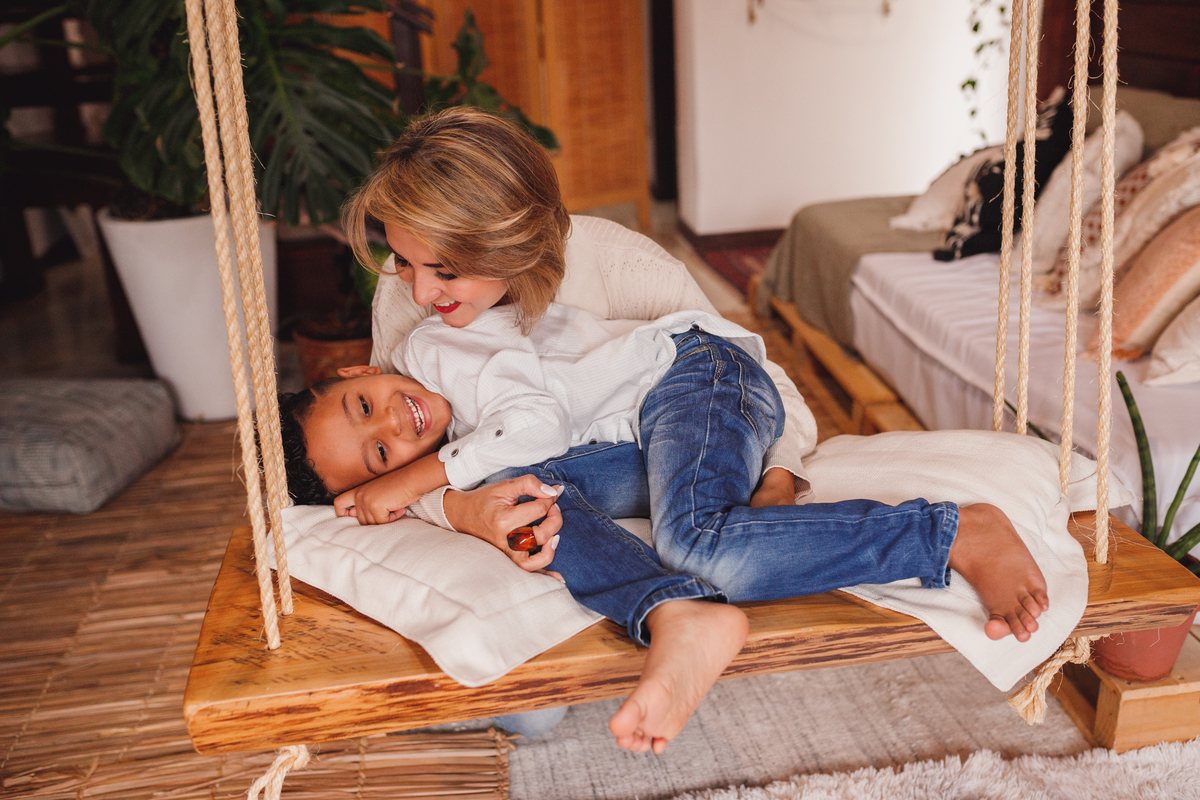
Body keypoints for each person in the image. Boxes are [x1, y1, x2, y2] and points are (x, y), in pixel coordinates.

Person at [280, 300, 1051, 755]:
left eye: (363, 404)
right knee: (529, 506)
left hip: (696, 375)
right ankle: (673, 610)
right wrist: (421, 497)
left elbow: (533, 426)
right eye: (382, 450)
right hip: (644, 442)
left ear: (357, 370)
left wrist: (415, 480)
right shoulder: (454, 455)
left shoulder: (435, 345)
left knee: (698, 545)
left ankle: (951, 534)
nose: (393, 421)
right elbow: (484, 477)